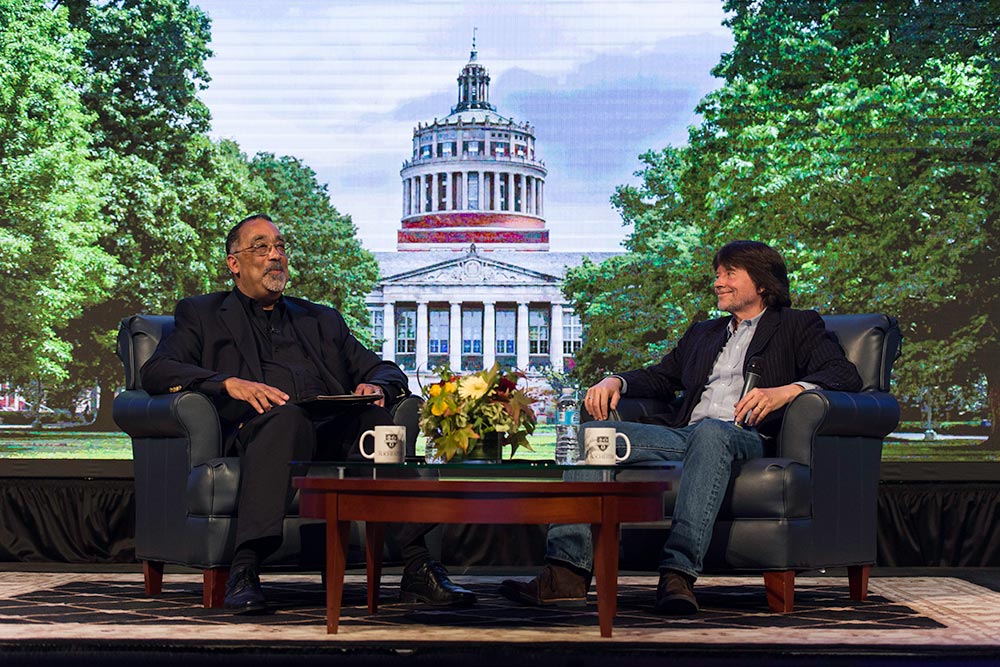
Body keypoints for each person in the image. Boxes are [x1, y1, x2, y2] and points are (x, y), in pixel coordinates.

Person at [499, 240, 862, 614]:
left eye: (729, 274)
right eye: (717, 275)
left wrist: (788, 392)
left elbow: (843, 374)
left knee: (713, 433)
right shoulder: (704, 333)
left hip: (747, 435)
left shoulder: (798, 325)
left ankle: (678, 573)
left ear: (763, 283)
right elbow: (661, 377)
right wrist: (616, 381)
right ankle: (566, 575)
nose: (718, 283)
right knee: (593, 438)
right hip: (685, 434)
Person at [141, 214, 475, 614]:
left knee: (374, 422)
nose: (275, 256)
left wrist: (377, 387)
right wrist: (227, 383)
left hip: (330, 428)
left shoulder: (319, 318)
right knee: (287, 418)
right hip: (260, 428)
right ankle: (245, 567)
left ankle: (418, 566)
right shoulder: (203, 314)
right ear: (234, 263)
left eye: (280, 247)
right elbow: (157, 371)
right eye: (261, 247)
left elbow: (384, 368)